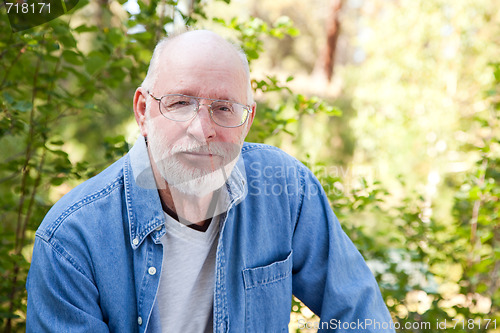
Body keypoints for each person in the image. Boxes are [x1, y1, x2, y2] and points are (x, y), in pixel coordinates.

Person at [26, 30, 395, 332]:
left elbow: (361, 315)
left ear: (247, 121)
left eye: (223, 109)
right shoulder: (71, 240)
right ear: (142, 111)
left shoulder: (285, 189)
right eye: (180, 103)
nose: (202, 130)